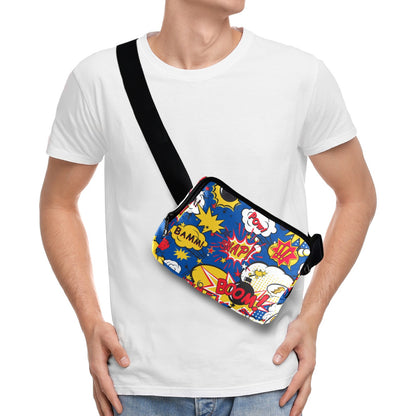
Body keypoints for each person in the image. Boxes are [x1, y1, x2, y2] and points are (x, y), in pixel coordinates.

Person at [39, 1, 376, 415]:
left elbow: (358, 196)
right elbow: (57, 203)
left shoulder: (300, 75)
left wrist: (313, 315)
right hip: (139, 383)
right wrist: (90, 321)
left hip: (269, 385)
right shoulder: (99, 78)